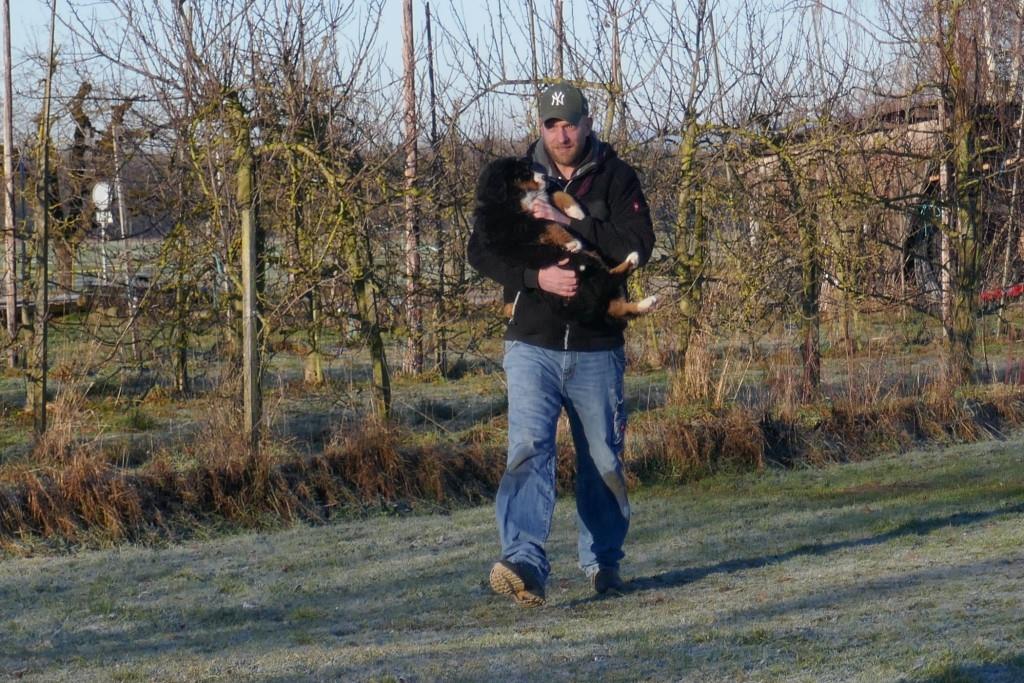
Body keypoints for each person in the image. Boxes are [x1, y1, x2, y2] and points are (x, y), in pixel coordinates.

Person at [467, 82, 655, 606]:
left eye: (570, 122)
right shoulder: (515, 179)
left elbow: (637, 243)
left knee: (603, 459)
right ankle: (524, 563)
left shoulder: (617, 178)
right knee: (529, 449)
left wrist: (570, 220)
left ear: (588, 122)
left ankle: (603, 564)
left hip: (597, 343)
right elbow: (480, 251)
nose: (562, 133)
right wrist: (534, 277)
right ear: (541, 128)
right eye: (551, 125)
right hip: (533, 342)